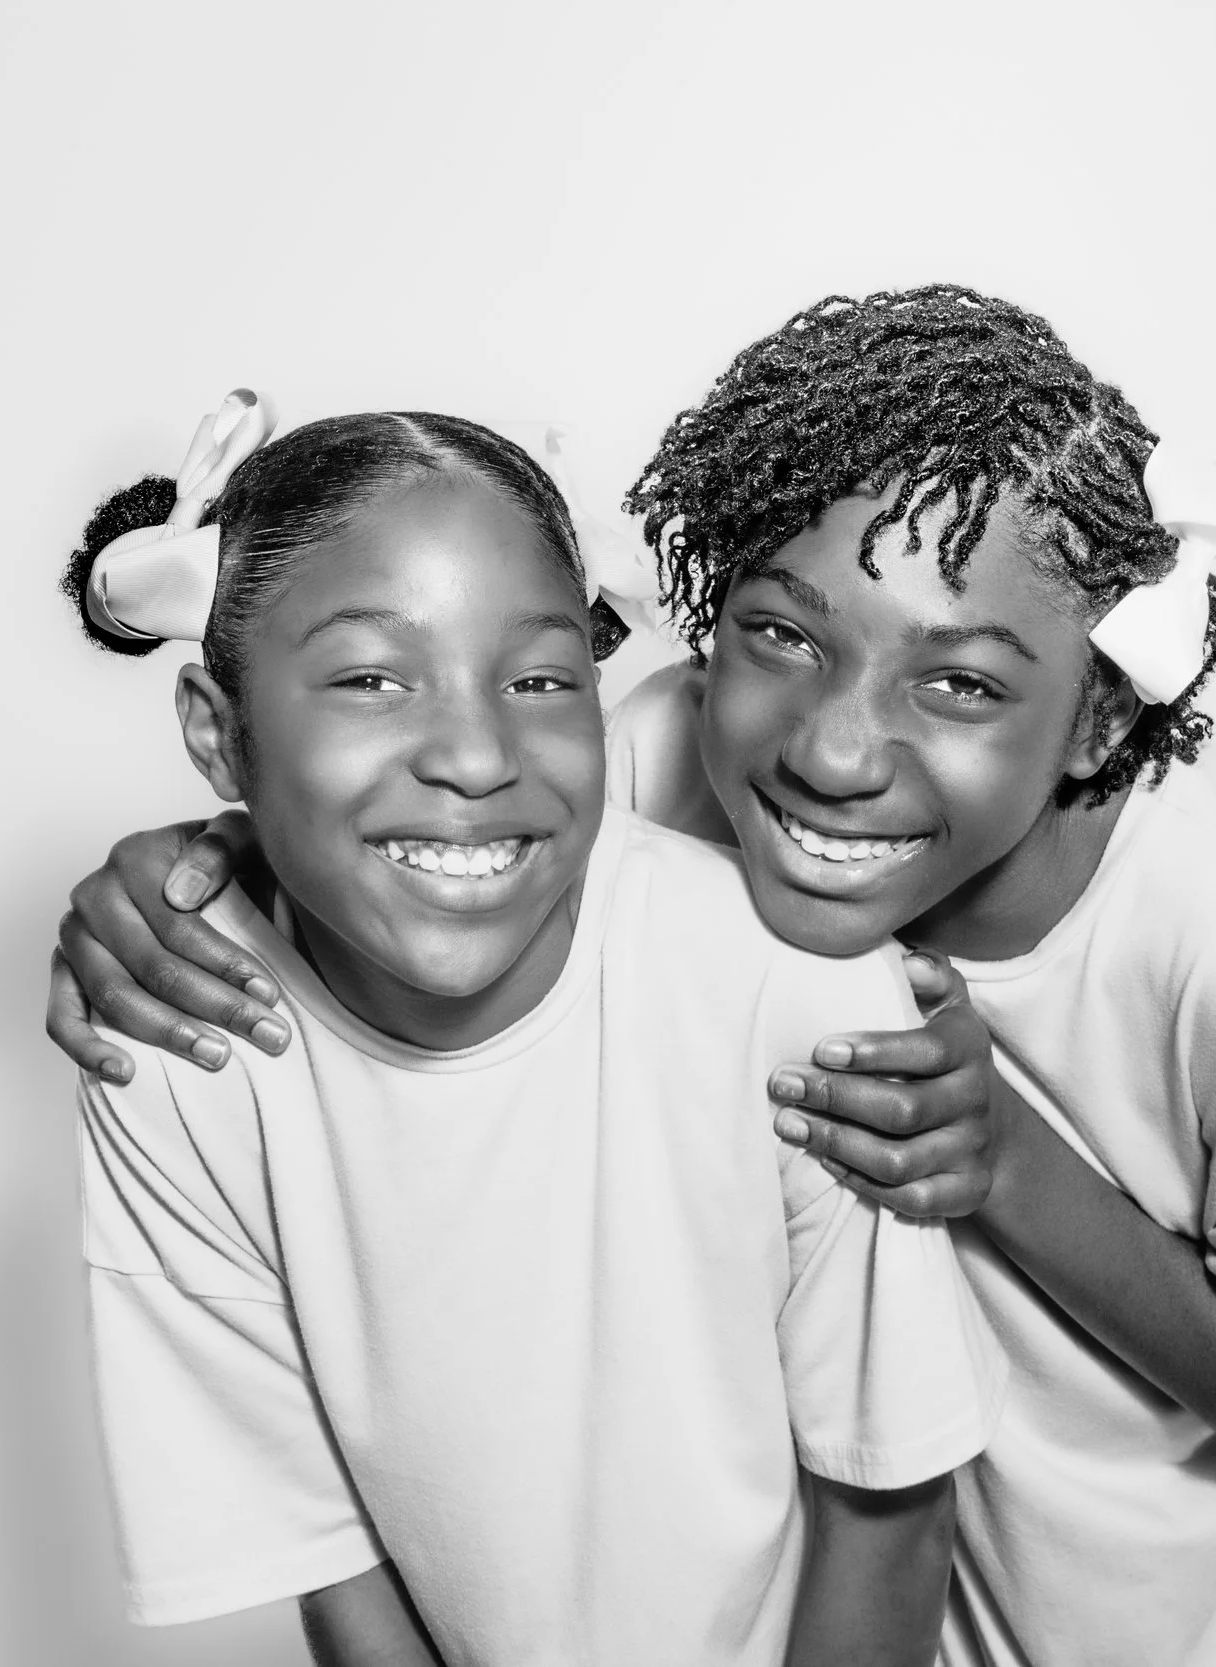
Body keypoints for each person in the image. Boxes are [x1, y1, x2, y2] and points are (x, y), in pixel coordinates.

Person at [55, 288, 1216, 1665]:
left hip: (1188, 1620)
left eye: (960, 682)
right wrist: (204, 871)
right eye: (783, 634)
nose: (831, 753)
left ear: (1098, 715)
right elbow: (457, 822)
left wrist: (1006, 1159)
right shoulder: (667, 763)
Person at [63, 397, 1004, 1666]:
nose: (473, 753)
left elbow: (884, 1500)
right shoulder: (181, 1047)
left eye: (539, 679)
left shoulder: (796, 995)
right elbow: (328, 1558)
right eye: (370, 678)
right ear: (216, 733)